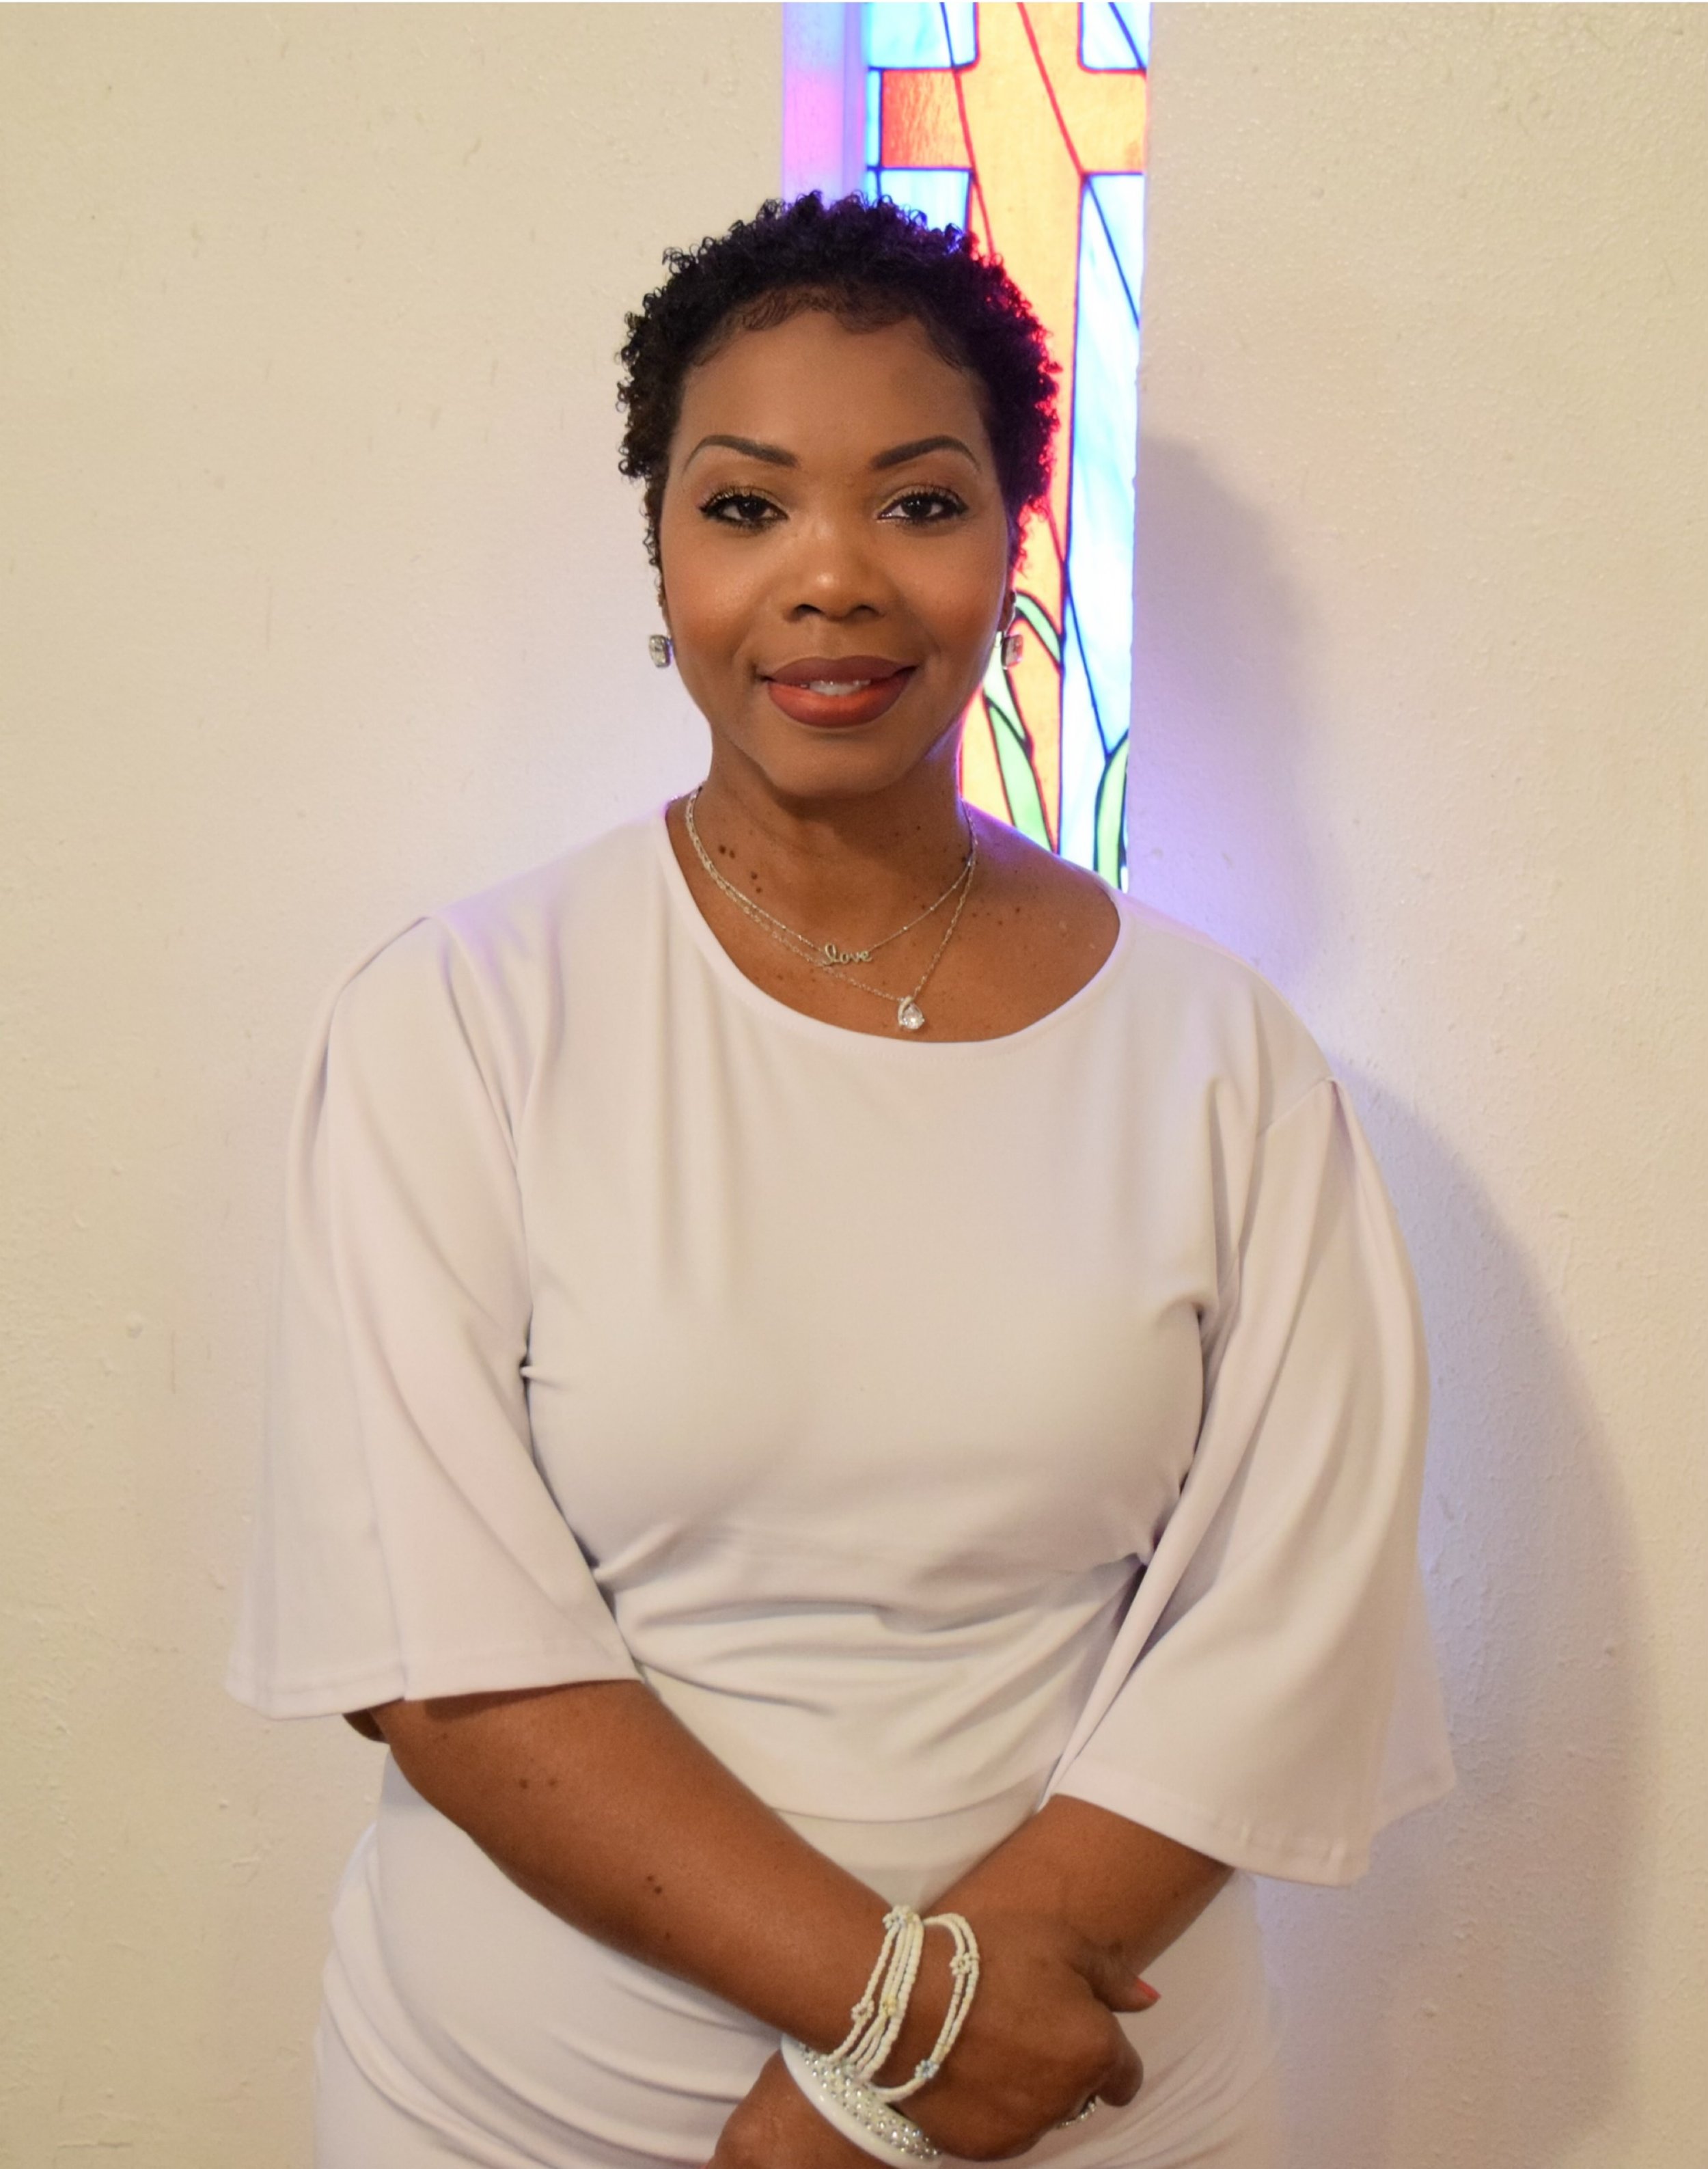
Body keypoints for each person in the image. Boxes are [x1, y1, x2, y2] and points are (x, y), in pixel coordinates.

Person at [228, 193, 1453, 2169]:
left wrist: (876, 2096)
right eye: (743, 509)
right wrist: (893, 2027)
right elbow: (433, 1644)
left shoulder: (1217, 1050)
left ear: (1007, 547)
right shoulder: (462, 1017)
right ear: (656, 550)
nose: (830, 582)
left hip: (1080, 2106)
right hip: (535, 2110)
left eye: (915, 503)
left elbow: (1286, 1613)